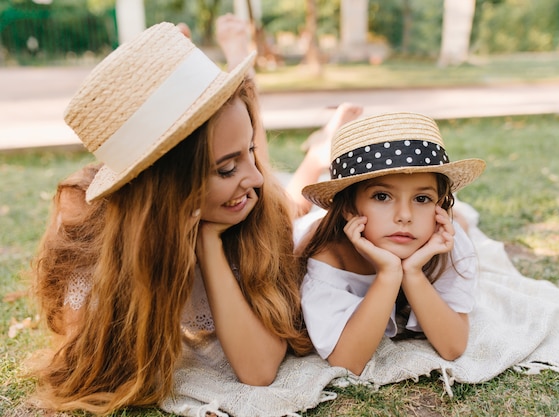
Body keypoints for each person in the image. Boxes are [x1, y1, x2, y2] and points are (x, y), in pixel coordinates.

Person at [28, 19, 360, 414]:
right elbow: (84, 362)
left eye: (250, 152)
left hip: (268, 213)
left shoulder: (252, 210)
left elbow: (260, 369)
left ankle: (317, 156)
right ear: (166, 190)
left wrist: (209, 245)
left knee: (288, 205)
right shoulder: (90, 228)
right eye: (225, 168)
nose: (252, 176)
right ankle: (314, 153)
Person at [298, 112, 486, 376]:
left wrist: (412, 272)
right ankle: (318, 154)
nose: (405, 216)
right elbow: (347, 361)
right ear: (349, 208)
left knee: (464, 223)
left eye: (422, 198)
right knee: (292, 208)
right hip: (312, 224)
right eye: (382, 196)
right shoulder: (328, 257)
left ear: (440, 205)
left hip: (411, 227)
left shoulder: (444, 240)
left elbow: (453, 346)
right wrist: (388, 274)